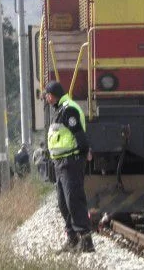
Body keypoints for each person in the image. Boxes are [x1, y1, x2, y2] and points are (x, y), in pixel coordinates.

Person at [45, 80, 95, 253]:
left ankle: (86, 240)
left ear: (52, 95)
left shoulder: (69, 109)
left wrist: (84, 152)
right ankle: (72, 238)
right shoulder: (59, 110)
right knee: (63, 202)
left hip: (71, 161)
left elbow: (79, 134)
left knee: (74, 199)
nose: (46, 99)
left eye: (47, 95)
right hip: (60, 163)